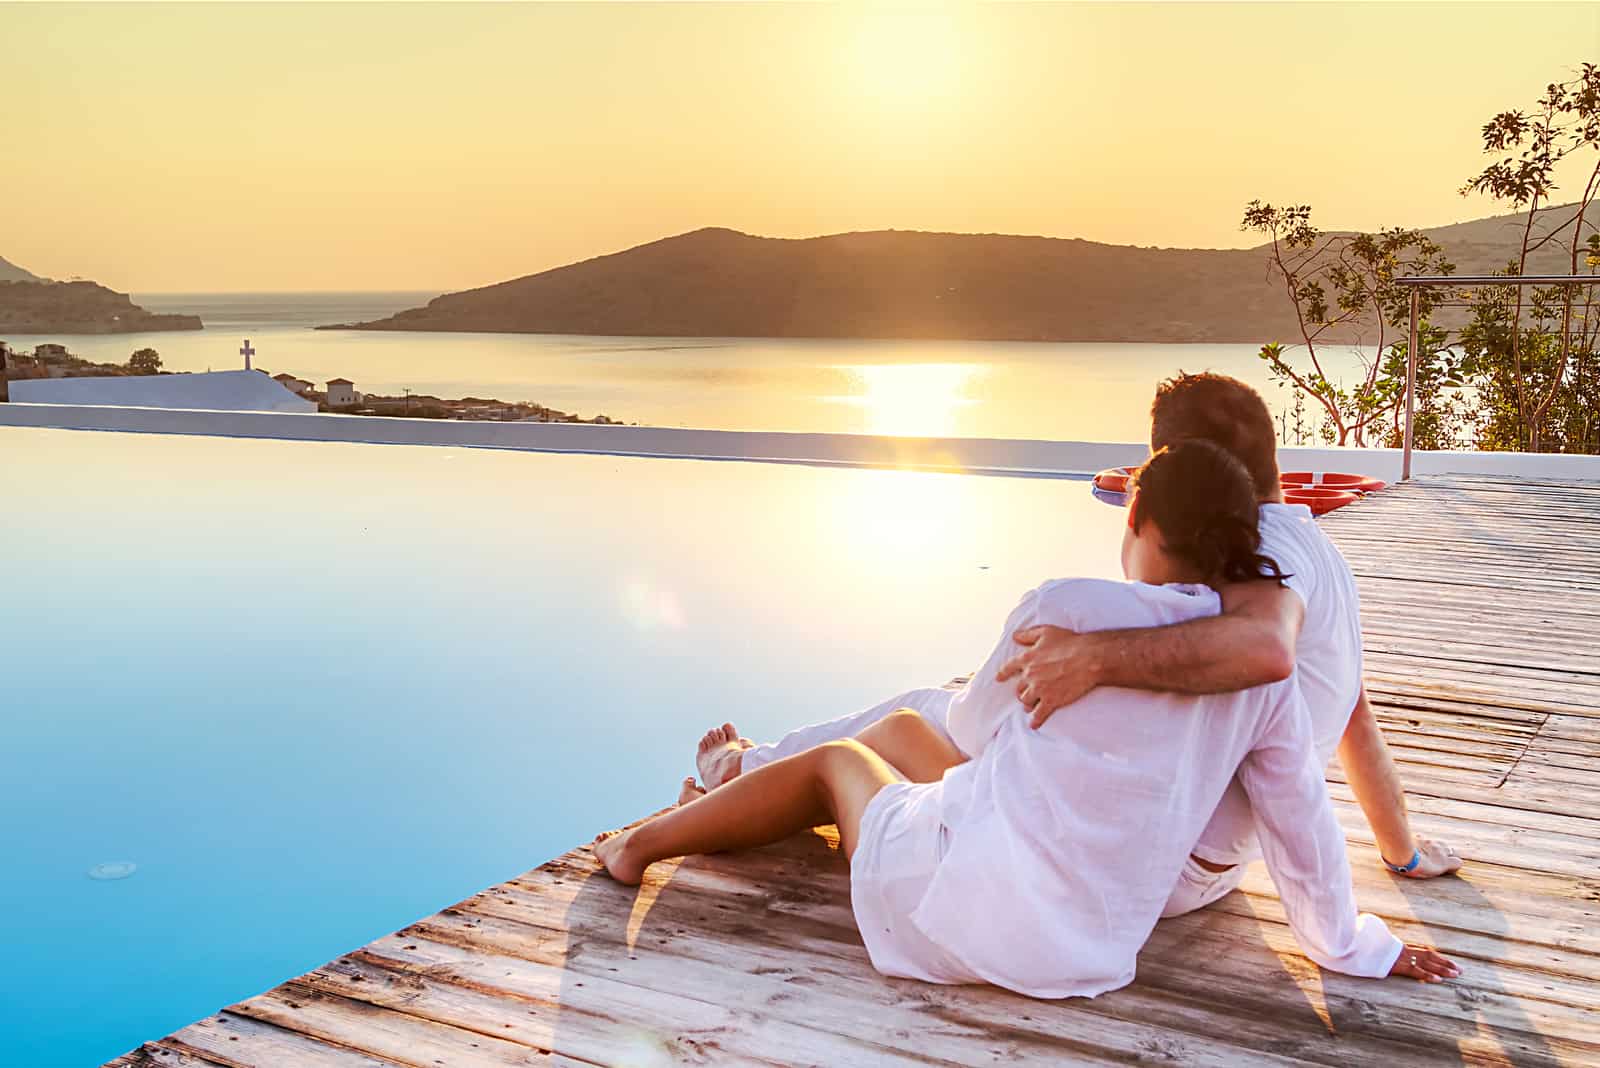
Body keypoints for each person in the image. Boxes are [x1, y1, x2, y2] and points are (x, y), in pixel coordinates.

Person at [596, 442, 1458, 997]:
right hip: (1087, 954)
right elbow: (1302, 826)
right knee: (904, 753)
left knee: (845, 763)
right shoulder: (1260, 675)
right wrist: (1354, 947)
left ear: (1142, 525)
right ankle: (738, 782)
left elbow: (971, 726)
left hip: (950, 910)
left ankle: (637, 846)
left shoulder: (1070, 608)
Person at [697, 373, 1460, 919]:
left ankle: (738, 776)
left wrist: (1092, 656)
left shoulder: (1266, 558)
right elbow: (1353, 716)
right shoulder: (1320, 556)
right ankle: (752, 773)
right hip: (1206, 862)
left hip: (1154, 867)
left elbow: (1266, 649)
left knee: (930, 716)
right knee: (966, 720)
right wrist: (1402, 852)